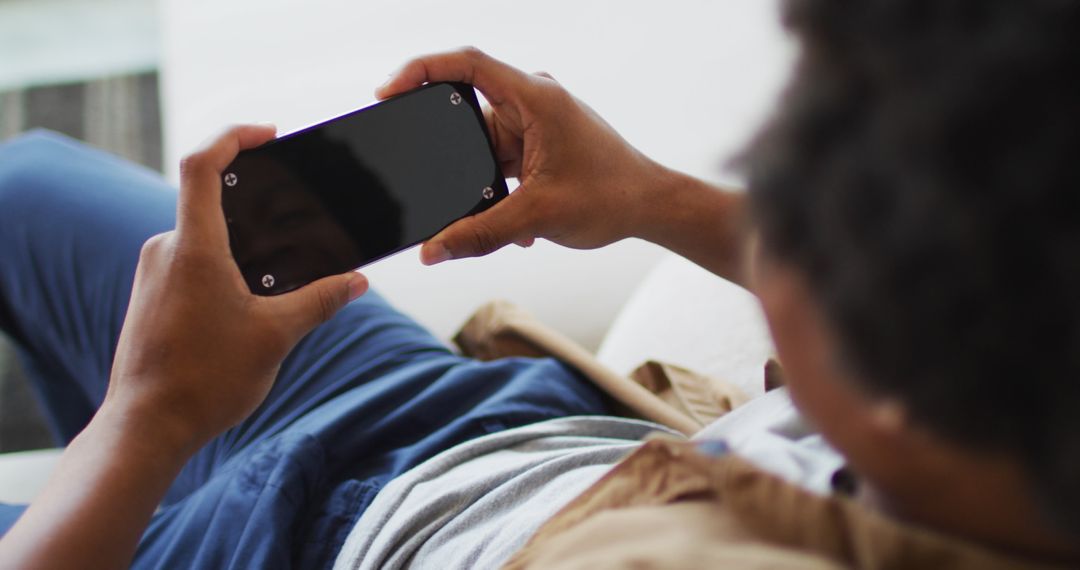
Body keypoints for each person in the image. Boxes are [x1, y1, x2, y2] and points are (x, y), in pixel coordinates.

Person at [1, 0, 1079, 568]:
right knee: (26, 184)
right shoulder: (1009, 419)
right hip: (489, 423)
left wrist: (152, 415)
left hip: (309, 543)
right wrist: (646, 197)